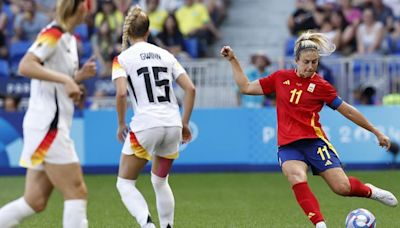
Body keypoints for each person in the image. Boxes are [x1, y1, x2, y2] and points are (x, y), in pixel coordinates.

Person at [220, 31, 398, 228]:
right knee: (296, 176)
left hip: (314, 142)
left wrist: (376, 131)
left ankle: (370, 191)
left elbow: (347, 110)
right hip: (289, 145)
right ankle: (320, 224)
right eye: (306, 62)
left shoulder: (321, 86)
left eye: (314, 62)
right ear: (296, 60)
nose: (310, 66)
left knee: (342, 187)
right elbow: (245, 87)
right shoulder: (280, 78)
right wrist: (233, 60)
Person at [0, 0, 96, 227]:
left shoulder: (70, 40)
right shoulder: (54, 32)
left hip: (47, 126)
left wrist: (78, 78)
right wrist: (66, 79)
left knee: (34, 201)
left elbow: (56, 80)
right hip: (48, 128)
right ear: (82, 8)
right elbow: (25, 65)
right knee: (76, 190)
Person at [112, 6, 195, 228]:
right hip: (172, 124)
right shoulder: (166, 55)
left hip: (146, 125)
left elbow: (121, 93)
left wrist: (121, 123)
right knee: (160, 181)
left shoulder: (122, 58)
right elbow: (191, 89)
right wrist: (184, 122)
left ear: (128, 33)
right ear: (148, 32)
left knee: (125, 183)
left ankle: (147, 224)